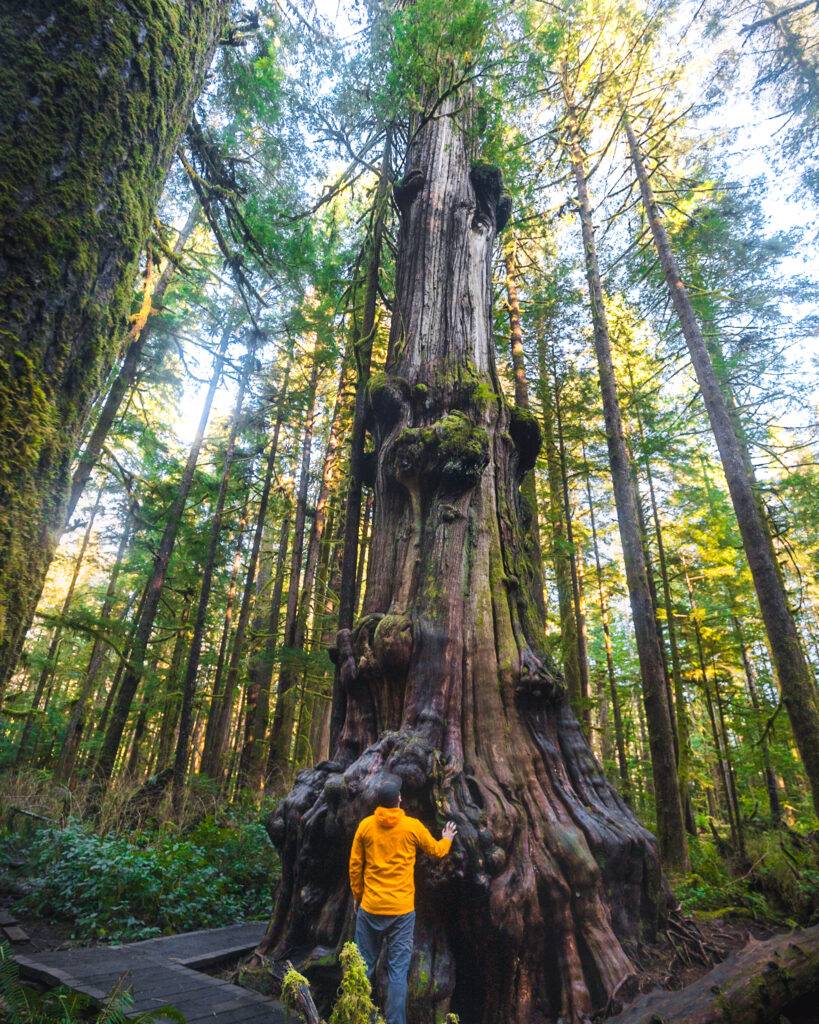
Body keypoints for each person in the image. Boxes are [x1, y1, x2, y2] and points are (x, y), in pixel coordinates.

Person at [348, 775, 457, 1024]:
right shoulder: (412, 827)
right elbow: (437, 851)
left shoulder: (365, 826)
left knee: (362, 967)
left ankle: (353, 1015)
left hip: (371, 907)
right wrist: (448, 838)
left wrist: (358, 895)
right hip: (401, 912)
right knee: (398, 973)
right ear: (399, 800)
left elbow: (355, 866)